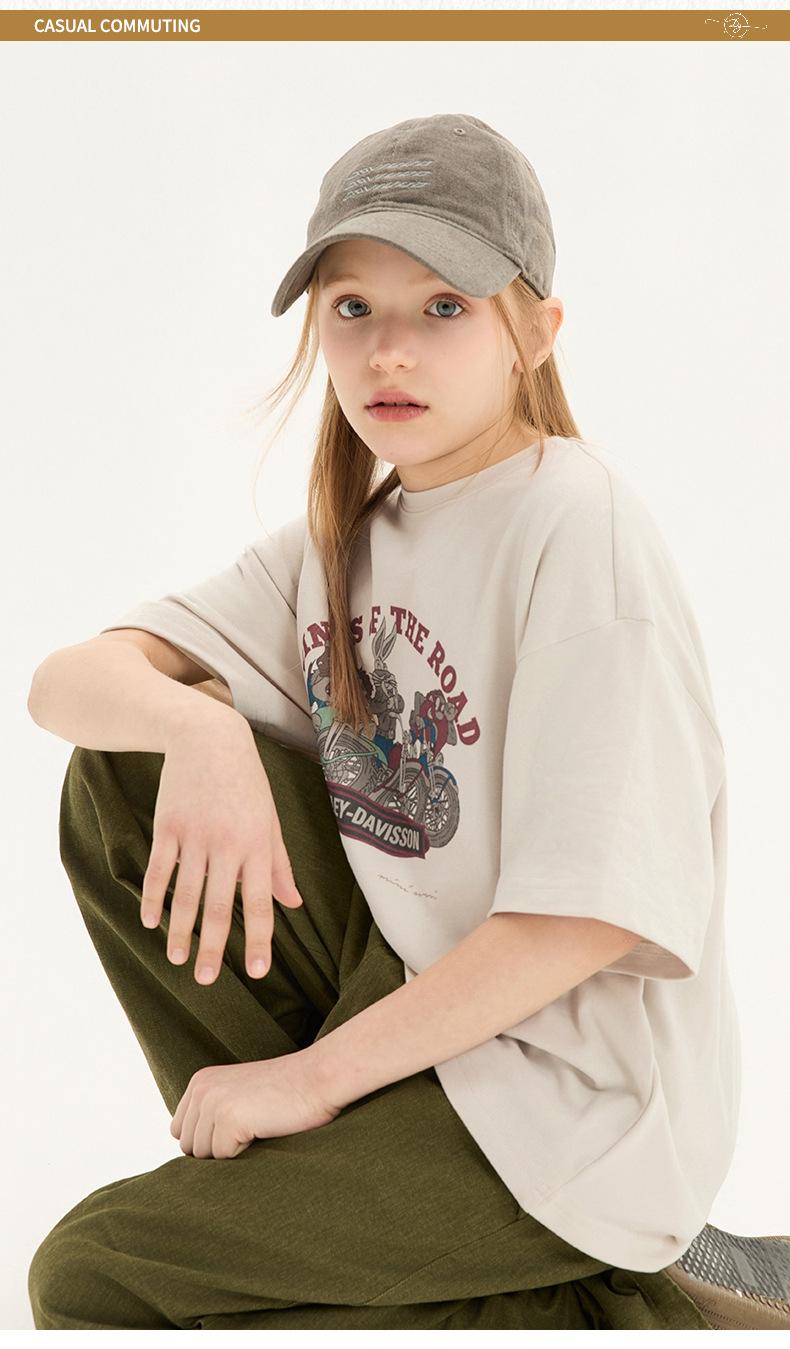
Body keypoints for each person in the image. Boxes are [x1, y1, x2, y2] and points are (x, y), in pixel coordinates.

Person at [25, 112, 790, 1331]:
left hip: (569, 1107)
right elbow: (67, 683)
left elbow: (584, 916)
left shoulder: (574, 526)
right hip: (417, 1027)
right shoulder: (350, 537)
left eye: (443, 306)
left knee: (97, 1274)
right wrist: (205, 731)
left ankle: (639, 1300)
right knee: (124, 770)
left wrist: (308, 1076)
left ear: (533, 332)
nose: (390, 350)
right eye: (353, 308)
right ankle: (415, 1222)